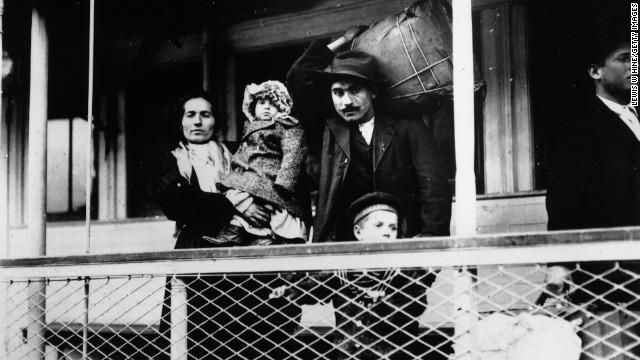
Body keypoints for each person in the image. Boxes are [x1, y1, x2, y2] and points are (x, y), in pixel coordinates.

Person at [151, 91, 299, 359]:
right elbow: (178, 202)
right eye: (190, 115)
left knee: (243, 334)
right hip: (195, 251)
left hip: (240, 250)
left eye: (205, 115)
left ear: (215, 121)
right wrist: (235, 203)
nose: (197, 121)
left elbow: (267, 176)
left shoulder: (236, 151)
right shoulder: (171, 157)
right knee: (195, 333)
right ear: (180, 122)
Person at [286, 26, 452, 243]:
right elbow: (298, 75)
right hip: (342, 252)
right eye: (338, 92)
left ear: (373, 92)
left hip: (400, 244)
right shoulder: (328, 128)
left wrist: (431, 241)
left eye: (355, 90)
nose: (346, 102)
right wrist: (342, 40)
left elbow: (434, 188)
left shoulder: (408, 127)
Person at [545, 31, 640, 358]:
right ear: (595, 72)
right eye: (625, 58)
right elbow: (564, 198)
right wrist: (560, 263)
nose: (635, 66)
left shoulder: (636, 117)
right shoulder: (578, 125)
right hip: (607, 278)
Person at [271, 192, 437, 359]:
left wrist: (385, 304)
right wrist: (292, 291)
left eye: (392, 227)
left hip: (390, 353)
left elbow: (415, 303)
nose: (387, 232)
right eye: (378, 225)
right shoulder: (343, 268)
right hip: (348, 352)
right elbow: (317, 286)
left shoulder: (402, 270)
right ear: (358, 232)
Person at [213, 80, 311, 246]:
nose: (266, 107)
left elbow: (293, 152)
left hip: (272, 176)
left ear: (281, 108)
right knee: (241, 196)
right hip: (251, 174)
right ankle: (236, 231)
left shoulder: (286, 126)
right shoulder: (250, 127)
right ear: (253, 106)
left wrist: (285, 182)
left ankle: (274, 237)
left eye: (272, 104)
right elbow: (243, 153)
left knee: (273, 208)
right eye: (261, 103)